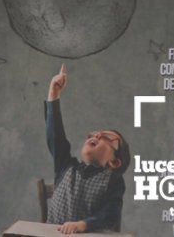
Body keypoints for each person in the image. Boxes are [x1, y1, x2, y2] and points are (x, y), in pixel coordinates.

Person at [45, 65, 129, 234]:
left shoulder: (113, 181)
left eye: (106, 137)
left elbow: (110, 214)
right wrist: (54, 94)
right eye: (96, 133)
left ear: (114, 161)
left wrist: (82, 225)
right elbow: (56, 136)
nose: (97, 135)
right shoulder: (65, 166)